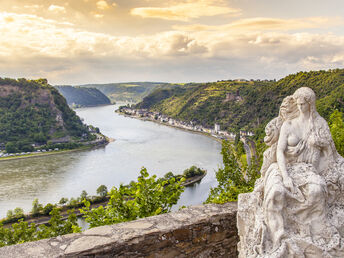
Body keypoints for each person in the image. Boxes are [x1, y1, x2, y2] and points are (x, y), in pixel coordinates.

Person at [237, 87, 344, 258]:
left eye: (304, 104)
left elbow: (330, 153)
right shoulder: (288, 125)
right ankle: (279, 239)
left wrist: (320, 147)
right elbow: (279, 152)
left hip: (307, 170)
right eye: (298, 104)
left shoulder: (319, 125)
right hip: (282, 167)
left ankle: (311, 232)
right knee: (276, 193)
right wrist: (285, 177)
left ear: (311, 104)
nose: (300, 107)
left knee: (317, 190)